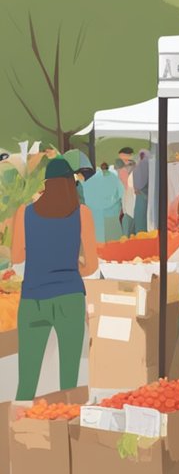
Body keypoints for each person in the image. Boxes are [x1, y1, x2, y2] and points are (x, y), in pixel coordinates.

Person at [10, 159, 99, 401]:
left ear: (46, 185)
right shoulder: (82, 214)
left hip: (32, 299)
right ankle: (63, 429)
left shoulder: (24, 213)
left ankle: (18, 427)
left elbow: (17, 256)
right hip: (69, 297)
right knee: (68, 378)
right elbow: (92, 265)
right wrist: (69, 268)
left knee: (27, 378)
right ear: (71, 183)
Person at [81, 163, 125, 242]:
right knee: (113, 236)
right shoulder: (114, 178)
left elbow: (87, 189)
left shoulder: (95, 178)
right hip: (113, 212)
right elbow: (121, 192)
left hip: (100, 213)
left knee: (102, 235)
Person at [129, 149, 151, 235]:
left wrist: (137, 188)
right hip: (146, 197)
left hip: (141, 197)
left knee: (140, 222)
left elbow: (137, 185)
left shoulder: (138, 166)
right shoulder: (151, 165)